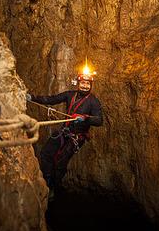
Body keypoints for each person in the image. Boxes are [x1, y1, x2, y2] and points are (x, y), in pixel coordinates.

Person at [27, 72, 103, 201]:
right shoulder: (70, 95)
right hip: (65, 131)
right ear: (78, 83)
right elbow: (51, 99)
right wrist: (32, 97)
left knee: (61, 162)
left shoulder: (93, 102)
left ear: (91, 86)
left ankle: (54, 188)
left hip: (77, 137)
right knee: (46, 153)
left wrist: (85, 118)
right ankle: (46, 181)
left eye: (87, 84)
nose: (85, 86)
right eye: (83, 83)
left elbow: (99, 120)